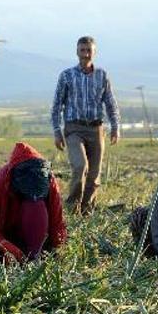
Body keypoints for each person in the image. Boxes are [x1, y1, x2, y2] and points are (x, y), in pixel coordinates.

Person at [51, 36, 121, 215]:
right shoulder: (67, 76)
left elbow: (110, 103)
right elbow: (57, 105)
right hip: (74, 129)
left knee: (94, 173)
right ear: (77, 52)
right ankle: (72, 208)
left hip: (96, 129)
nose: (86, 54)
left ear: (94, 52)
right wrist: (57, 131)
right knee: (80, 166)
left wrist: (115, 127)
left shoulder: (102, 75)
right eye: (82, 50)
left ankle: (87, 210)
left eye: (89, 50)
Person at [0, 142, 67, 264]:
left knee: (51, 255)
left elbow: (57, 221)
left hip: (35, 236)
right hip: (1, 236)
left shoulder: (48, 180)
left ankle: (34, 252)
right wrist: (5, 244)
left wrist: (57, 246)